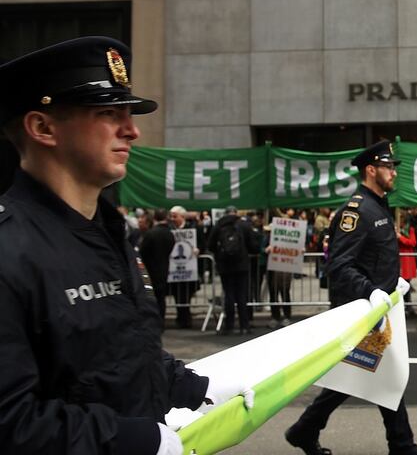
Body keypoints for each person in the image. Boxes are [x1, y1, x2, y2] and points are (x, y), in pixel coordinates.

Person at [0, 36, 249, 454]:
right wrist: (128, 439)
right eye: (108, 113)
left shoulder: (110, 232)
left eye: (129, 114)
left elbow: (118, 353)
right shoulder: (10, 248)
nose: (132, 131)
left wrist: (192, 387)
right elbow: (11, 421)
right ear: (43, 128)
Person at [286, 140, 417, 455]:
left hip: (378, 309)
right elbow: (339, 265)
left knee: (368, 374)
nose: (393, 172)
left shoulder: (378, 205)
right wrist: (371, 290)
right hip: (361, 310)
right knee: (381, 373)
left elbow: (373, 257)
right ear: (371, 170)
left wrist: (393, 281)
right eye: (388, 167)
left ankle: (305, 430)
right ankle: (401, 445)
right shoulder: (357, 211)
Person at [207, 205, 260, 335]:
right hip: (241, 265)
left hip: (225, 266)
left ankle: (229, 326)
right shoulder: (244, 225)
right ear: (236, 213)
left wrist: (219, 254)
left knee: (229, 294)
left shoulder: (218, 225)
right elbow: (253, 246)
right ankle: (244, 325)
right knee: (242, 295)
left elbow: (210, 245)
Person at [140, 207, 175, 327]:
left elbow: (142, 252)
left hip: (149, 270)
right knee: (161, 298)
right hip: (164, 268)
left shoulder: (150, 234)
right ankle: (161, 322)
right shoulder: (170, 234)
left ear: (154, 218)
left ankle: (153, 322)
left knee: (150, 297)